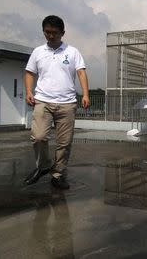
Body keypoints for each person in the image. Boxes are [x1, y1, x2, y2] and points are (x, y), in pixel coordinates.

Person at [24, 15, 90, 189]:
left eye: (54, 33)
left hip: (67, 103)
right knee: (38, 137)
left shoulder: (72, 52)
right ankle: (44, 166)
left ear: (63, 32)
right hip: (42, 100)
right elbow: (30, 73)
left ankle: (58, 174)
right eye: (47, 32)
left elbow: (81, 72)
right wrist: (29, 91)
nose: (51, 36)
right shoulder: (38, 52)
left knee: (64, 142)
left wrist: (85, 94)